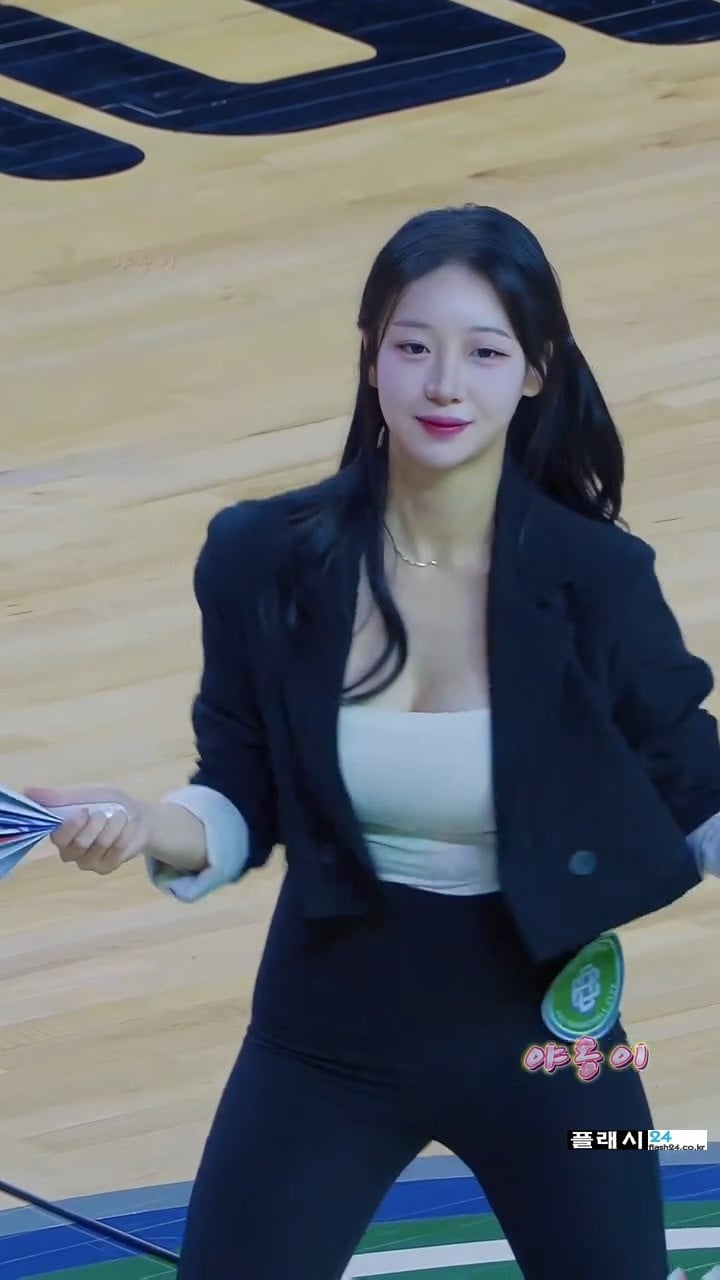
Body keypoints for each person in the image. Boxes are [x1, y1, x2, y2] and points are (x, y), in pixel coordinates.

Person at [27, 205, 720, 1279]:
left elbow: (695, 785)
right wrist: (138, 823)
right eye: (413, 346)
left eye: (484, 353)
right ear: (370, 357)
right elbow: (239, 788)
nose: (444, 384)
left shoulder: (599, 579)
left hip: (554, 1053)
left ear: (535, 373)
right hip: (325, 1038)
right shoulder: (261, 557)